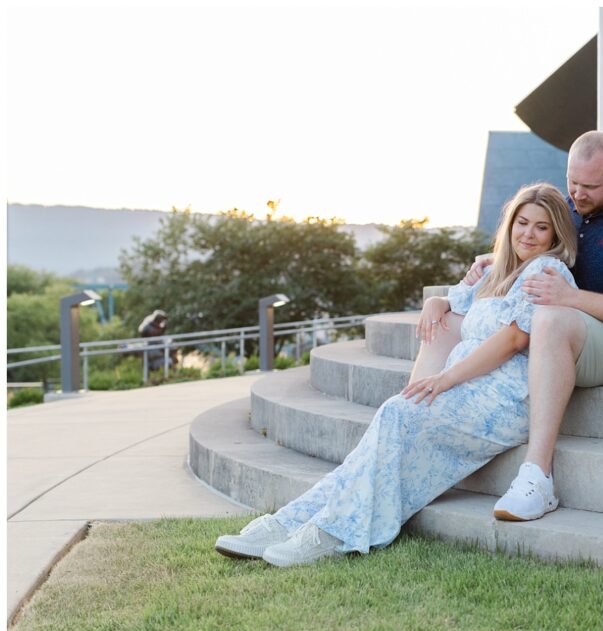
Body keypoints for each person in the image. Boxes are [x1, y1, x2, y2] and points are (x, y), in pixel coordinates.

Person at [214, 183, 578, 567]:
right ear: (509, 225)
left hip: (502, 398)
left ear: (555, 234)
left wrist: (445, 378)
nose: (529, 234)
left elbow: (513, 339)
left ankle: (336, 533)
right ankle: (291, 521)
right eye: (522, 223)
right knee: (391, 421)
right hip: (471, 387)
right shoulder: (499, 271)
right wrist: (436, 302)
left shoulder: (546, 269)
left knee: (397, 413)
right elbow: (454, 302)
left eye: (541, 227)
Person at [415, 131, 603, 522]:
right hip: (571, 329)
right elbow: (538, 247)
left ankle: (538, 477)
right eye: (573, 182)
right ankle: (414, 418)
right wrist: (493, 262)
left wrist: (571, 299)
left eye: (590, 186)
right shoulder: (567, 208)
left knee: (547, 317)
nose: (578, 194)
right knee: (449, 320)